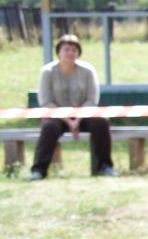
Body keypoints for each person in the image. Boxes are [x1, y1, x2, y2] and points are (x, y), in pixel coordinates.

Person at [28, 34, 114, 180]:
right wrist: (68, 120)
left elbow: (92, 100)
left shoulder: (87, 71)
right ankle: (39, 170)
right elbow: (46, 101)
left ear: (78, 52)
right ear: (59, 52)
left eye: (73, 50)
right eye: (66, 49)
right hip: (56, 115)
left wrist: (78, 119)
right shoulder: (47, 72)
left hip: (83, 114)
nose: (70, 53)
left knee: (101, 123)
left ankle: (105, 166)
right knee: (49, 127)